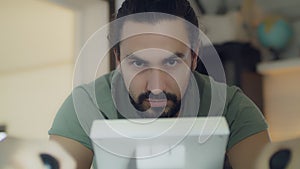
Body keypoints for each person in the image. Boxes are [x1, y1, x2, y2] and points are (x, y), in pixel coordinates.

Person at [3, 0, 270, 169]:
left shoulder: (233, 107)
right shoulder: (85, 104)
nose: (155, 85)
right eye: (139, 64)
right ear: (117, 58)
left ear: (194, 56)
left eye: (171, 63)